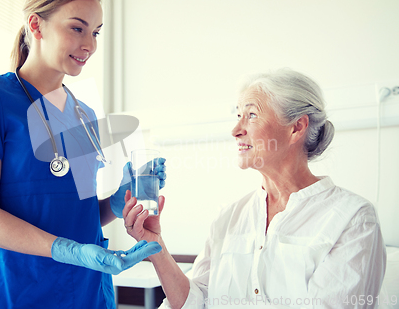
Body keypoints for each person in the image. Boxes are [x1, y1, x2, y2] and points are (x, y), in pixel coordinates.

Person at [0, 0, 165, 308]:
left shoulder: (83, 113)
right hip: (18, 287)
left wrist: (116, 203)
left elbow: (76, 212)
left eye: (96, 32)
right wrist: (67, 250)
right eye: (77, 28)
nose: (90, 44)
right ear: (36, 24)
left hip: (87, 288)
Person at [123, 68, 386, 308]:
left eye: (251, 115)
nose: (236, 130)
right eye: (238, 116)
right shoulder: (228, 217)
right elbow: (196, 301)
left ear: (296, 127)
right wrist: (155, 246)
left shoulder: (353, 219)